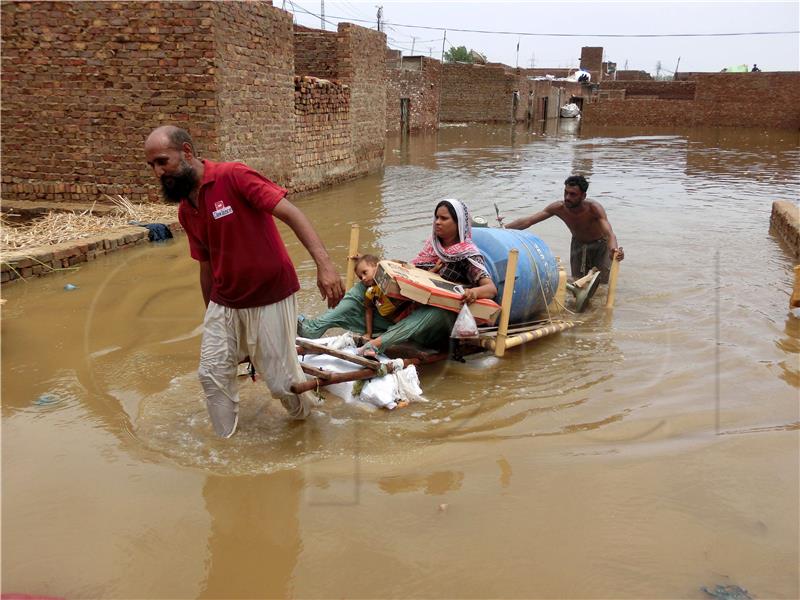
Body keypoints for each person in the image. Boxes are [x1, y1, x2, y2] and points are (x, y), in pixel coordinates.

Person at [144, 125, 344, 438]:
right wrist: (210, 314)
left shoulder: (233, 176)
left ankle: (308, 424)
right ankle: (226, 443)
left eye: (162, 161)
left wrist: (325, 266)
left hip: (270, 294)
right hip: (225, 301)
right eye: (152, 166)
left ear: (186, 152)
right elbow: (206, 265)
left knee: (281, 383)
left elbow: (291, 213)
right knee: (211, 375)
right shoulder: (186, 210)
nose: (157, 172)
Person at [299, 199, 497, 354]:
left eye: (444, 219)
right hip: (407, 312)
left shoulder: (468, 254)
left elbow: (490, 288)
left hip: (439, 325)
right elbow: (413, 272)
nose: (437, 222)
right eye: (436, 217)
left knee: (437, 310)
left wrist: (472, 292)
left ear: (459, 223)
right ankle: (314, 327)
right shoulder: (432, 246)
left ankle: (376, 344)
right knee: (364, 288)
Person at [502, 175, 624, 283]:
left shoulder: (594, 208)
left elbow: (609, 234)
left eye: (573, 194)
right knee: (577, 281)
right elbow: (529, 220)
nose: (567, 197)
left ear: (583, 196)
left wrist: (614, 250)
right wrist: (501, 229)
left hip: (600, 245)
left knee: (601, 283)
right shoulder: (559, 207)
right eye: (566, 192)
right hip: (578, 244)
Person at [354, 254, 410, 339]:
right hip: (396, 322)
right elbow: (368, 310)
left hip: (409, 312)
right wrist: (369, 333)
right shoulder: (370, 293)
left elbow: (405, 270)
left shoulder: (390, 278)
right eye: (360, 277)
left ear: (377, 267)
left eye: (365, 273)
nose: (363, 278)